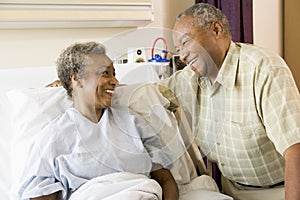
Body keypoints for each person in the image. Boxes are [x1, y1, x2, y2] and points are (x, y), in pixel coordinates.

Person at [156, 3, 300, 200]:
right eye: (178, 49)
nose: (182, 56)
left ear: (216, 29)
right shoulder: (189, 79)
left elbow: (296, 149)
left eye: (186, 42)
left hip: (280, 189)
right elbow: (149, 96)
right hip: (231, 191)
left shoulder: (264, 69)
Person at [18, 41, 179, 200]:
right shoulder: (53, 137)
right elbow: (40, 195)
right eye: (104, 73)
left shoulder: (134, 122)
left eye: (114, 74)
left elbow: (166, 180)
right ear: (76, 79)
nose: (114, 81)